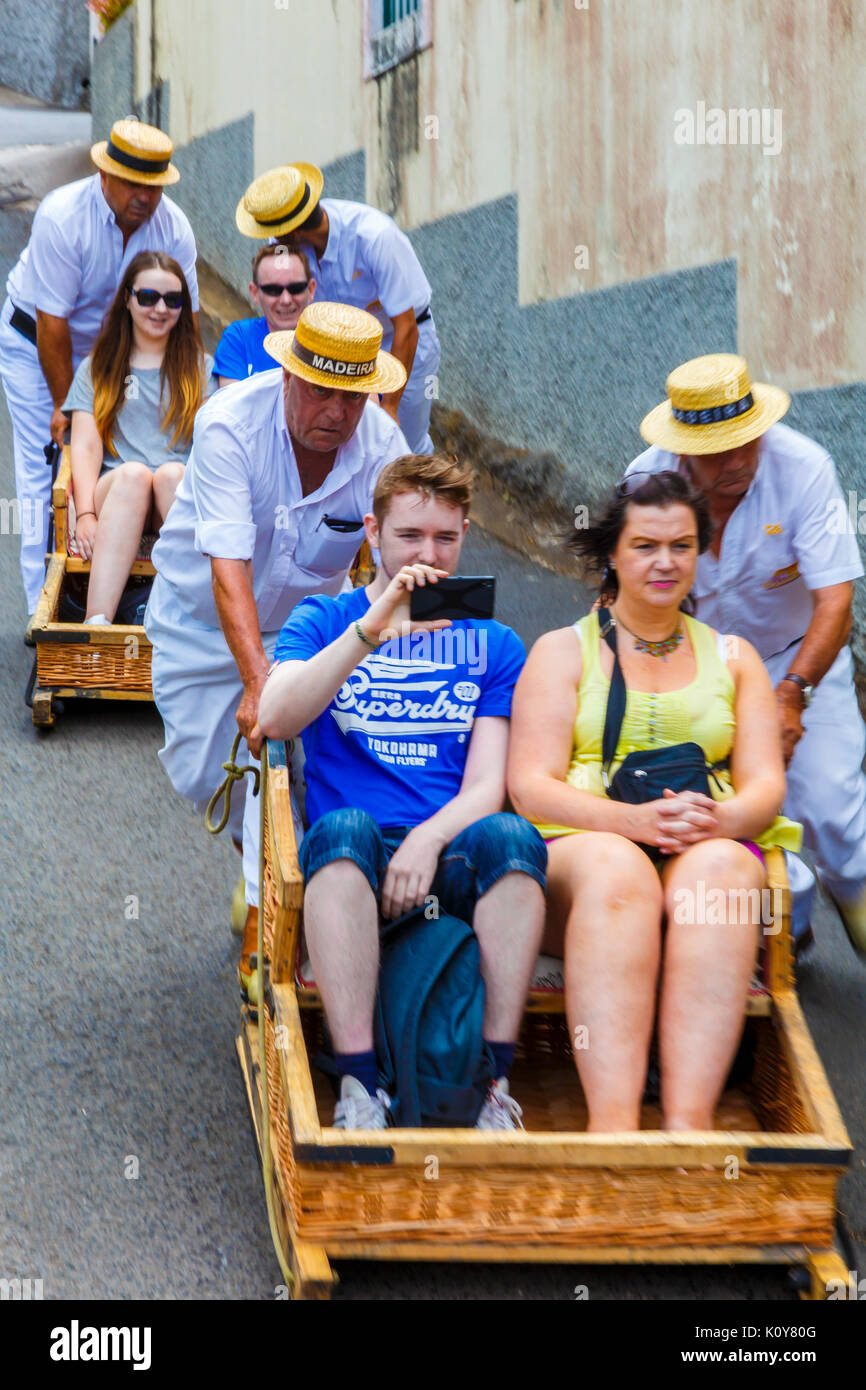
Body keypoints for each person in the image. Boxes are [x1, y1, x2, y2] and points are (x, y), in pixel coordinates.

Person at [258, 453, 547, 1131]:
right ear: (372, 532)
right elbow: (274, 718)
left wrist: (428, 837)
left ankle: (493, 1083)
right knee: (343, 826)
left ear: (464, 536)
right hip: (351, 857)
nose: (428, 554)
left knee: (514, 838)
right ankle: (359, 1086)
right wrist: (370, 630)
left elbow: (488, 784)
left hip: (443, 853)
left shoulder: (493, 642)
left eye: (445, 538)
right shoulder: (325, 620)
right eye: (410, 536)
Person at [506, 471, 801, 1133]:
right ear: (613, 553)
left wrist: (719, 820)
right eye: (645, 546)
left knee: (724, 873)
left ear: (702, 553)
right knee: (620, 872)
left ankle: (687, 1129)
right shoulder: (563, 651)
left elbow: (766, 786)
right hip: (583, 856)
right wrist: (632, 821)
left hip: (703, 845)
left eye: (682, 546)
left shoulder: (735, 657)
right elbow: (529, 785)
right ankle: (613, 1128)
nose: (665, 562)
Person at [145, 301, 410, 995]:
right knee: (207, 772)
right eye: (321, 391)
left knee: (291, 766)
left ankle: (273, 924)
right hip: (202, 624)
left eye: (353, 398)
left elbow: (409, 543)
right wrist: (256, 679)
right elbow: (226, 566)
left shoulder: (385, 445)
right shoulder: (228, 423)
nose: (337, 413)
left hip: (306, 636)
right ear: (288, 377)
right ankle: (252, 857)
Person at [625, 354, 866, 958]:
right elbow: (621, 590)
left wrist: (792, 693)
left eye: (747, 443)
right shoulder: (644, 481)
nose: (736, 462)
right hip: (695, 665)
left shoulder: (805, 468)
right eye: (717, 451)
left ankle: (856, 904)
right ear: (682, 449)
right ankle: (787, 933)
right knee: (716, 811)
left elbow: (836, 602)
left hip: (799, 663)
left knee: (834, 812)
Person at [0, 119, 198, 623]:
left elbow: (183, 314)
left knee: (131, 461)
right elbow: (53, 323)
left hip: (127, 341)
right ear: (104, 174)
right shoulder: (63, 215)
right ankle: (40, 618)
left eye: (153, 186)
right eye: (133, 183)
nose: (144, 196)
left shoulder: (173, 226)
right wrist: (67, 406)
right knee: (49, 471)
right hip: (39, 340)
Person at [235, 163, 440, 454]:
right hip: (336, 348)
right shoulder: (286, 246)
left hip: (401, 342)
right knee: (344, 445)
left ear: (292, 231)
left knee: (404, 443)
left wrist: (389, 406)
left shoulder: (375, 237)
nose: (271, 240)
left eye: (274, 233)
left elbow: (407, 327)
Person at [63, 252, 215, 624]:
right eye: (148, 297)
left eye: (173, 299)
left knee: (169, 474)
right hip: (115, 492)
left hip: (172, 497)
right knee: (135, 475)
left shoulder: (201, 368)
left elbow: (211, 446)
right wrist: (84, 514)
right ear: (128, 299)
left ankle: (203, 623)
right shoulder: (98, 365)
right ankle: (96, 624)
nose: (160, 308)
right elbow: (84, 444)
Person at [214, 244, 316, 386]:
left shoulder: (329, 345)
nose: (285, 300)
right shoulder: (239, 338)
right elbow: (232, 405)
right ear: (255, 293)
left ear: (311, 290)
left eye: (295, 288)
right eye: (273, 290)